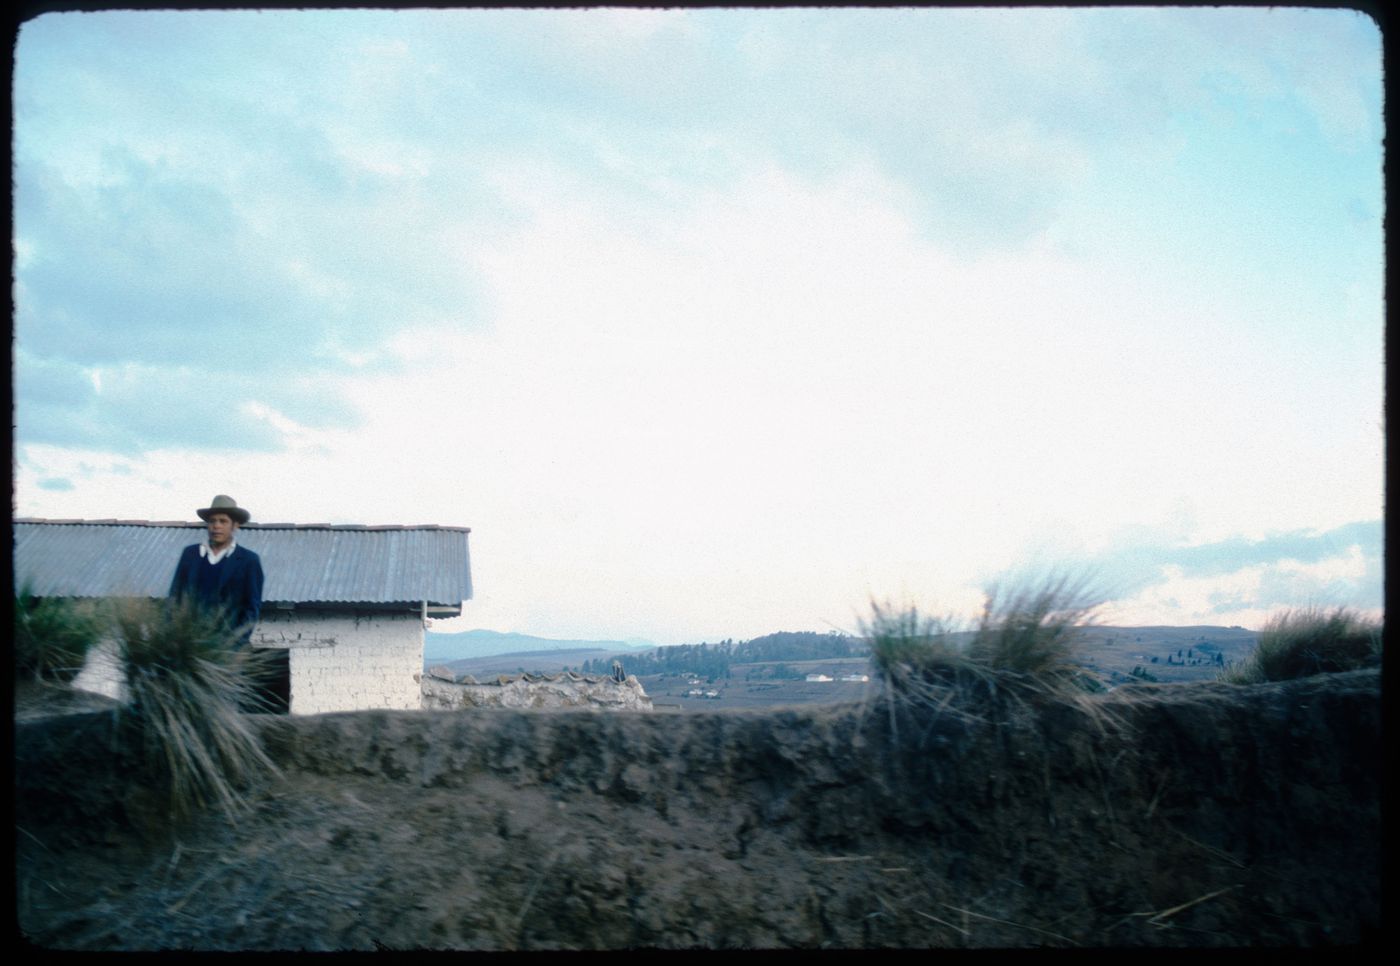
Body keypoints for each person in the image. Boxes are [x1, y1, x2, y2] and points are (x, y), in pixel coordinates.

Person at [168, 494, 264, 644]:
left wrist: (234, 645)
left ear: (235, 525)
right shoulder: (190, 555)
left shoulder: (248, 560)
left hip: (227, 650)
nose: (216, 526)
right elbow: (175, 598)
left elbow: (252, 609)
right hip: (188, 646)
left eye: (223, 521)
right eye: (212, 521)